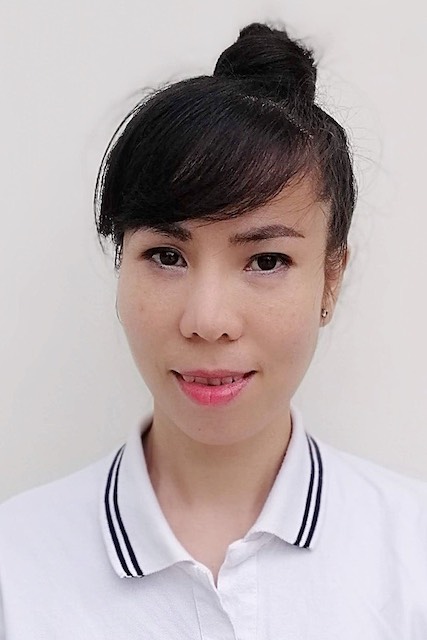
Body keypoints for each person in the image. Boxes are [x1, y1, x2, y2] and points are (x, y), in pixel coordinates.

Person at [0, 21, 426, 639]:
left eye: (266, 261)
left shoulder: (412, 555)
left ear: (330, 279)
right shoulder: (16, 566)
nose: (208, 321)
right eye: (166, 256)